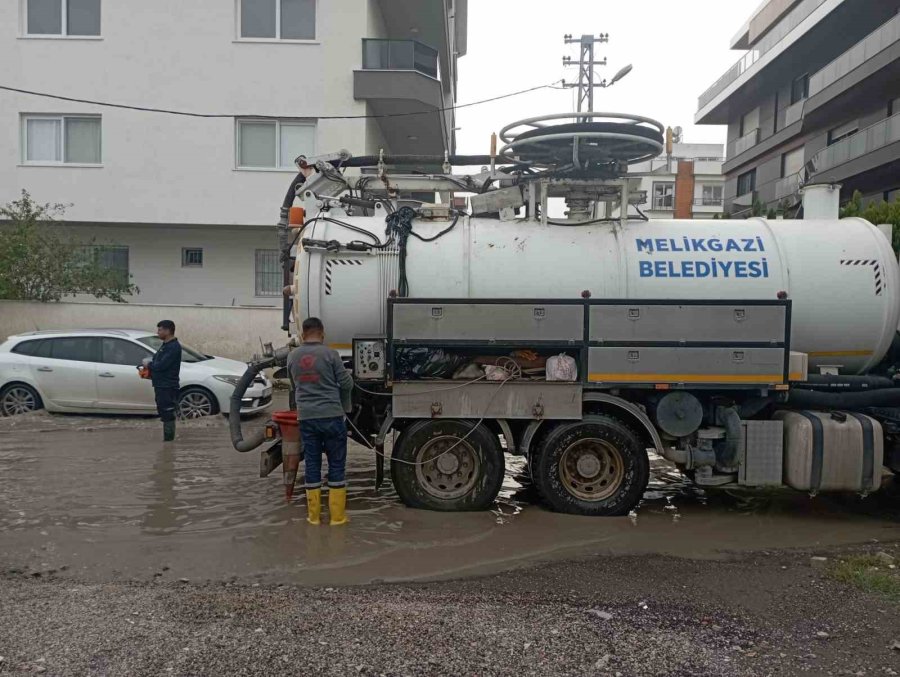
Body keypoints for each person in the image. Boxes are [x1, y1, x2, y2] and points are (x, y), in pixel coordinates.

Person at [287, 317, 353, 526]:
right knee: (336, 464)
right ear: (322, 332)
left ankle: (313, 518)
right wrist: (345, 406)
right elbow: (346, 384)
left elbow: (293, 384)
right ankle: (337, 518)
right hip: (332, 416)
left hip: (306, 417)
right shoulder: (330, 354)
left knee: (312, 464)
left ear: (303, 334)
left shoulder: (292, 356)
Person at [150, 320, 182, 442]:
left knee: (167, 413)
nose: (158, 332)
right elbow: (158, 363)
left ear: (168, 331)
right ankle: (168, 441)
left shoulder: (173, 347)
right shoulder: (166, 345)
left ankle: (168, 444)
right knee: (164, 412)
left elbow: (161, 365)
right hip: (161, 385)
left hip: (167, 386)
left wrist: (149, 365)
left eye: (160, 330)